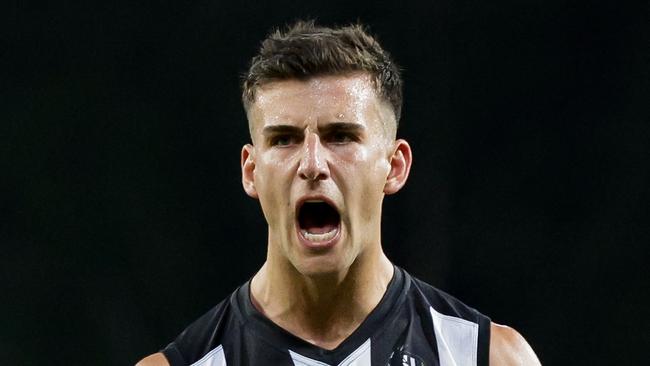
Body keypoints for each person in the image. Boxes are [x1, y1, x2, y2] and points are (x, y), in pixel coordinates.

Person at [137, 20, 540, 366]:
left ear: (395, 165)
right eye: (284, 140)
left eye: (341, 136)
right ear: (251, 171)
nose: (312, 164)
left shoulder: (487, 357)